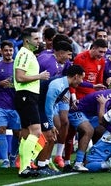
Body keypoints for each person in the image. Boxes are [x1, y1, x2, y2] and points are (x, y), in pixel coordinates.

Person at [64, 38, 107, 170]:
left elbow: (98, 84)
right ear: (93, 48)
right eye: (100, 51)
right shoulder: (80, 58)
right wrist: (73, 96)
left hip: (91, 102)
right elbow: (73, 80)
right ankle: (66, 161)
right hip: (78, 102)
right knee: (71, 132)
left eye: (104, 52)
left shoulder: (102, 61)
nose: (102, 55)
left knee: (99, 130)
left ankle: (91, 159)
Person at [13, 27, 50, 178]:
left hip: (28, 96)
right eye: (36, 39)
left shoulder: (29, 54)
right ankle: (25, 166)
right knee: (36, 131)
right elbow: (19, 77)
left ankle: (23, 165)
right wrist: (39, 76)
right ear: (27, 41)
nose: (39, 41)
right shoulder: (24, 54)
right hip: (26, 95)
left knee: (27, 133)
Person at [68, 79, 111, 172]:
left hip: (89, 116)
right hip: (77, 112)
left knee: (101, 131)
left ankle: (94, 159)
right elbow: (102, 120)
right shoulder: (107, 97)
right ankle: (78, 163)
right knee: (89, 130)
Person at [39, 64, 85, 175]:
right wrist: (51, 125)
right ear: (75, 76)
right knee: (48, 136)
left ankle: (45, 164)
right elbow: (48, 107)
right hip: (37, 107)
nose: (82, 81)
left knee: (51, 137)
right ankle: (40, 166)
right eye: (82, 78)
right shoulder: (58, 85)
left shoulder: (65, 85)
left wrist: (52, 125)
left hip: (41, 107)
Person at [37, 40, 73, 174]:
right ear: (61, 53)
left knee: (54, 131)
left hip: (49, 102)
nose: (70, 58)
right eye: (68, 55)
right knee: (46, 133)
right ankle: (34, 162)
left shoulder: (61, 64)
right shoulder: (46, 62)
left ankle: (45, 161)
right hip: (39, 102)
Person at [0, 40, 21, 168]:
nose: (8, 53)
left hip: (16, 105)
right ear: (1, 51)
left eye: (10, 50)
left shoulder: (18, 66)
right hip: (0, 104)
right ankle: (5, 160)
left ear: (13, 51)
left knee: (17, 133)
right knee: (1, 129)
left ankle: (13, 156)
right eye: (6, 50)